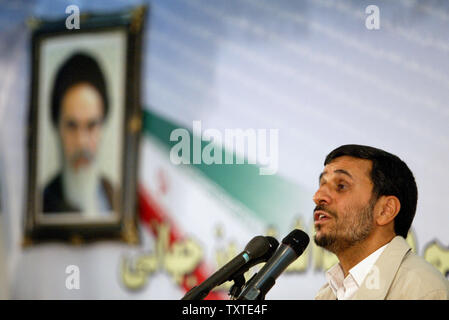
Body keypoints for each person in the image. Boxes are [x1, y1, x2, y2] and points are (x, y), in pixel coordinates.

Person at [313, 144, 449, 300]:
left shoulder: (423, 291)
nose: (318, 196)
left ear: (386, 210)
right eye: (322, 184)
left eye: (341, 186)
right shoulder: (328, 294)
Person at [43, 52, 115, 217]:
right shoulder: (41, 204)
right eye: (71, 126)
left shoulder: (117, 197)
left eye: (91, 126)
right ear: (58, 127)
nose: (81, 142)